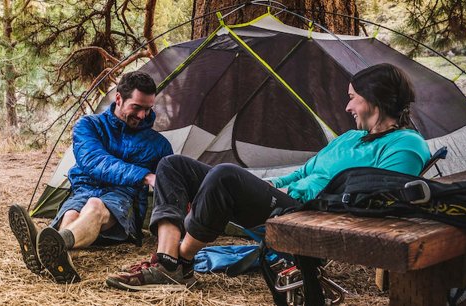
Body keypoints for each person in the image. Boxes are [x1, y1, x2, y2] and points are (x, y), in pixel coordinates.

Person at [105, 63, 431, 291]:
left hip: (314, 214)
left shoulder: (406, 144)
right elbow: (305, 171)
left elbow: (380, 198)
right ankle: (167, 257)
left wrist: (305, 194)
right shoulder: (351, 138)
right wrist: (273, 185)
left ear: (374, 98)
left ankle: (177, 265)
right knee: (172, 165)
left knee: (225, 176)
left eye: (352, 97)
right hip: (290, 201)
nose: (348, 108)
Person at [8, 71, 173, 284]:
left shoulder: (158, 144)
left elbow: (173, 182)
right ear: (119, 99)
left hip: (124, 201)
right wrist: (146, 176)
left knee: (95, 205)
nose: (142, 115)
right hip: (85, 188)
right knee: (71, 213)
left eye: (148, 109)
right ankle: (57, 256)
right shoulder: (88, 125)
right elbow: (93, 161)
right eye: (137, 107)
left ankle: (49, 243)